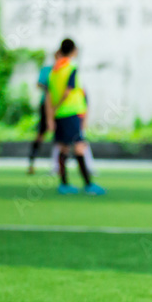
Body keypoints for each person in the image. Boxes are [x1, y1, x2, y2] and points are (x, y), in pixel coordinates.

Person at [44, 38, 105, 195]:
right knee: (79, 147)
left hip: (60, 115)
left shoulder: (54, 71)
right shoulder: (71, 68)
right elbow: (68, 91)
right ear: (73, 51)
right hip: (71, 113)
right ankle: (88, 184)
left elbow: (49, 96)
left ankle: (64, 184)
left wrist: (51, 115)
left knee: (64, 148)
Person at [27, 52, 56, 175]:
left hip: (60, 107)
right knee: (40, 134)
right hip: (46, 105)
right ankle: (31, 163)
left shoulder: (67, 70)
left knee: (61, 138)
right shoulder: (47, 70)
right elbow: (39, 84)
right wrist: (51, 89)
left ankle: (57, 166)